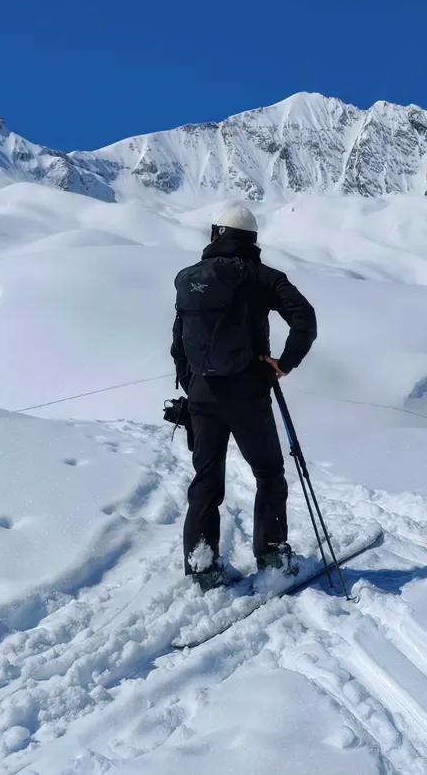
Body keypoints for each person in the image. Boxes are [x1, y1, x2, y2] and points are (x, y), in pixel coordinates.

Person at [171, 206, 317, 590]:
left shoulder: (189, 278)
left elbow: (178, 341)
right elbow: (304, 317)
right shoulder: (263, 277)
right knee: (268, 473)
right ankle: (272, 556)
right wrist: (284, 364)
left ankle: (202, 567)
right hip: (249, 394)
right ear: (252, 240)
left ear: (216, 234)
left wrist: (193, 385)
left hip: (202, 396)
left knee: (206, 480)